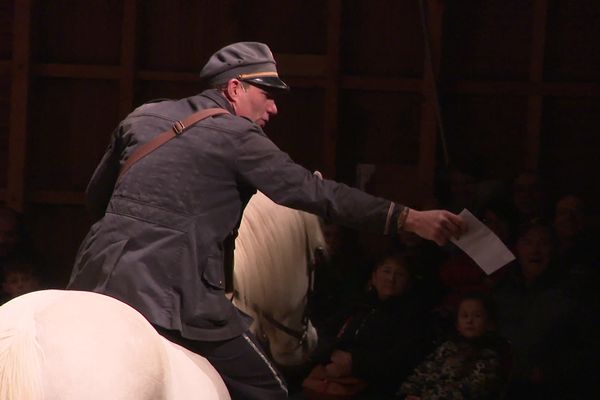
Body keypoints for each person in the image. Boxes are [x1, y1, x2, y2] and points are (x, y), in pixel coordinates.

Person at [67, 42, 465, 399]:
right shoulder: (238, 136)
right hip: (174, 293)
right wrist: (407, 218)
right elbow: (318, 195)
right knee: (269, 389)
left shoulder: (143, 116)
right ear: (235, 89)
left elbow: (95, 199)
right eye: (267, 94)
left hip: (95, 277)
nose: (273, 108)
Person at [397, 293, 506, 400]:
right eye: (464, 316)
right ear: (457, 324)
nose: (469, 321)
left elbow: (471, 388)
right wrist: (410, 392)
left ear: (489, 323)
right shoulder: (447, 347)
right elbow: (422, 371)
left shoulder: (489, 356)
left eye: (477, 316)